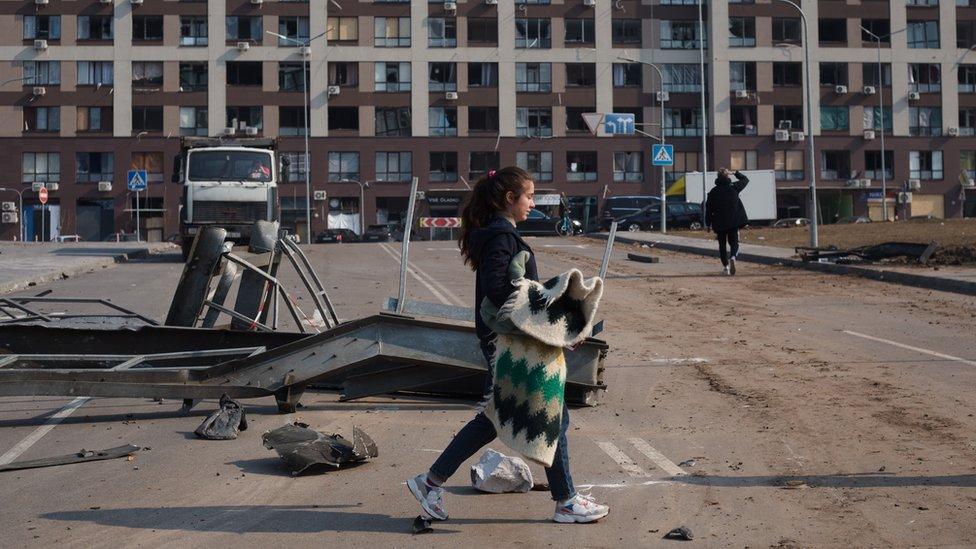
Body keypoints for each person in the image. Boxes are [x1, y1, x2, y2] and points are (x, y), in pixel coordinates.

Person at [406, 166, 610, 524]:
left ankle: (430, 481)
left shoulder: (501, 235)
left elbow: (511, 290)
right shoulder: (502, 238)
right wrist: (544, 315)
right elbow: (501, 289)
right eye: (529, 196)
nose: (533, 203)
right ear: (509, 199)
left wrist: (552, 327)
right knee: (552, 414)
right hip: (509, 344)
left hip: (507, 340)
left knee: (495, 418)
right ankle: (565, 501)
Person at [705, 167, 749, 275]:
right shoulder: (734, 187)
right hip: (733, 221)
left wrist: (708, 224)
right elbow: (745, 180)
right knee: (734, 242)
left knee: (722, 245)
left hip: (719, 223)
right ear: (728, 176)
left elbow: (709, 209)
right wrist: (735, 173)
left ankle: (726, 268)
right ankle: (733, 257)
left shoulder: (713, 192)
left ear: (717, 178)